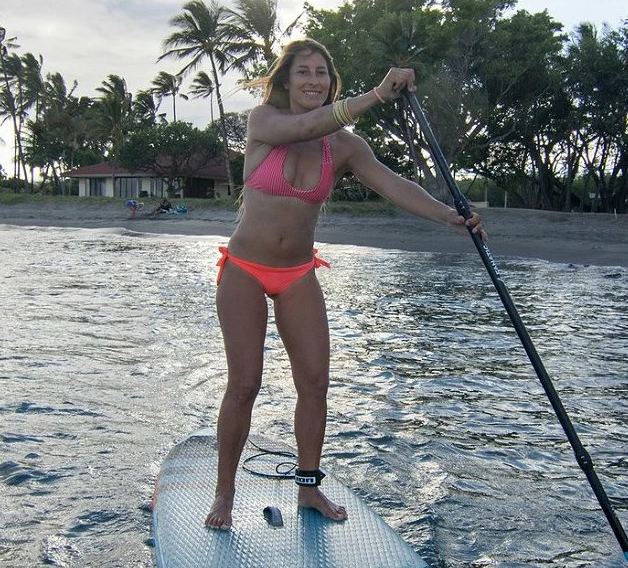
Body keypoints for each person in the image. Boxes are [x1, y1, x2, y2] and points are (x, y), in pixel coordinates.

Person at [205, 38, 485, 530]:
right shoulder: (263, 123)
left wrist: (450, 216)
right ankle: (224, 493)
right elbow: (309, 125)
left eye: (322, 73)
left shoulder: (346, 146)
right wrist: (377, 95)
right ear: (286, 80)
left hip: (297, 273)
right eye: (303, 72)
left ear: (331, 83)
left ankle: (309, 489)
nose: (313, 80)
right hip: (244, 269)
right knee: (245, 384)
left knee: (314, 383)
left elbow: (395, 184)